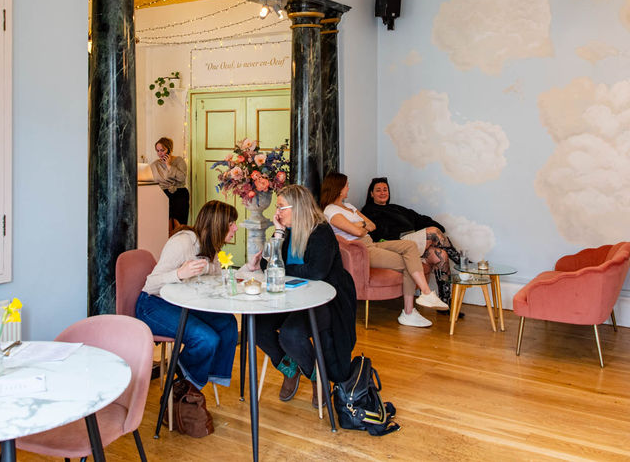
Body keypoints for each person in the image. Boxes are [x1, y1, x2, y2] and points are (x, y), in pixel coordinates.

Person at [243, 184, 356, 404]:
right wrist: (277, 232)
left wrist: (281, 268)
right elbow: (267, 265)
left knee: (290, 334)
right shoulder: (287, 230)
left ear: (298, 208)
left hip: (325, 301)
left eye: (281, 207)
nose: (277, 212)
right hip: (291, 299)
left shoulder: (321, 231)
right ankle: (289, 367)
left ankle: (317, 377)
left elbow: (316, 271)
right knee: (255, 325)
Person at [135, 200, 239, 404]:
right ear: (217, 224)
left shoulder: (210, 244)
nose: (235, 227)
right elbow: (151, 284)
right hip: (152, 305)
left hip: (181, 303)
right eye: (231, 223)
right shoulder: (182, 242)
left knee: (228, 324)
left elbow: (213, 272)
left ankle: (189, 385)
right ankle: (184, 384)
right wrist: (179, 273)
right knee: (206, 338)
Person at [320, 172, 448, 328]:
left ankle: (423, 297)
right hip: (363, 250)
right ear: (338, 188)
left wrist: (359, 226)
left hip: (371, 243)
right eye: (346, 185)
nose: (348, 188)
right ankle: (411, 309)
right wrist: (360, 226)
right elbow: (359, 232)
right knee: (409, 263)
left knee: (410, 247)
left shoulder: (348, 207)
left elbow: (372, 225)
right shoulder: (330, 211)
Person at [361, 177, 462, 308]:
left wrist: (439, 228)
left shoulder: (396, 208)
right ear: (371, 194)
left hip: (412, 241)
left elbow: (419, 218)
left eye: (385, 190)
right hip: (397, 244)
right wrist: (435, 231)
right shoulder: (368, 211)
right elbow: (374, 235)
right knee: (433, 232)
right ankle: (462, 264)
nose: (382, 193)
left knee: (441, 255)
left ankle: (445, 303)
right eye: (378, 190)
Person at [150, 136, 190, 227]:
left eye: (162, 150)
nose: (160, 153)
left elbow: (182, 178)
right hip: (163, 194)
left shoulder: (179, 161)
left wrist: (168, 165)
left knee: (179, 224)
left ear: (169, 149)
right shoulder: (155, 164)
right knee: (164, 225)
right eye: (157, 151)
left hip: (179, 193)